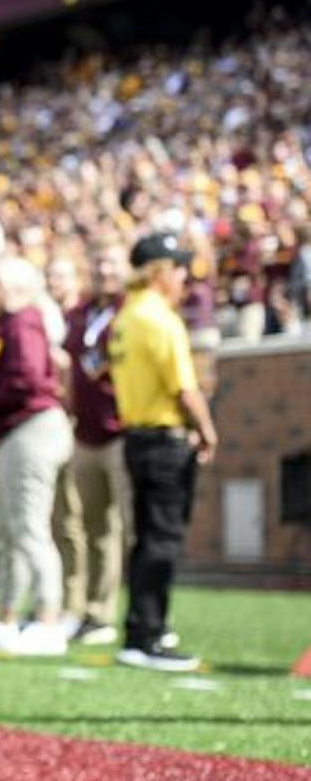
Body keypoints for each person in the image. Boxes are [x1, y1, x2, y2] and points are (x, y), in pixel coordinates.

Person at [108, 231, 219, 672]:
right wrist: (207, 429)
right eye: (178, 269)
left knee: (147, 538)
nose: (184, 279)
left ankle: (141, 629)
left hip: (136, 437)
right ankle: (148, 635)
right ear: (159, 272)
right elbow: (185, 389)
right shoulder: (159, 319)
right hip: (162, 439)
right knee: (162, 539)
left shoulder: (126, 318)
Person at [0, 257, 74, 654]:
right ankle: (7, 617)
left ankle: (48, 618)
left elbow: (25, 381)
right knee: (7, 529)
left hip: (32, 428)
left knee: (29, 527)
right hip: (14, 432)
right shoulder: (8, 323)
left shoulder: (23, 319)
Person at [56, 245, 131, 645]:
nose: (104, 269)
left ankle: (137, 613)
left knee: (128, 527)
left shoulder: (130, 312)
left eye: (112, 262)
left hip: (121, 430)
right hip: (85, 432)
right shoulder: (80, 314)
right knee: (92, 527)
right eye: (99, 262)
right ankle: (95, 612)